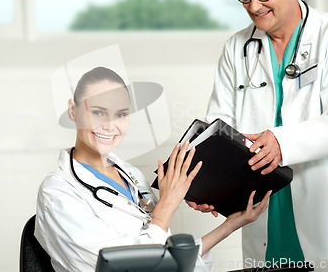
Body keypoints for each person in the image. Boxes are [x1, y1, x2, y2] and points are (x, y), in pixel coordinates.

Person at [189, 0, 328, 266]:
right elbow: (220, 125)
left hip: (323, 207)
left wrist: (281, 141)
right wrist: (211, 187)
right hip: (261, 210)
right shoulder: (237, 48)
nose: (253, 7)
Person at [34, 66, 271, 272]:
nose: (109, 125)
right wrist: (168, 202)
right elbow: (109, 267)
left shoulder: (131, 175)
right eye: (97, 112)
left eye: (120, 114)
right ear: (72, 110)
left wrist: (230, 224)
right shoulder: (56, 192)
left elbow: (165, 258)